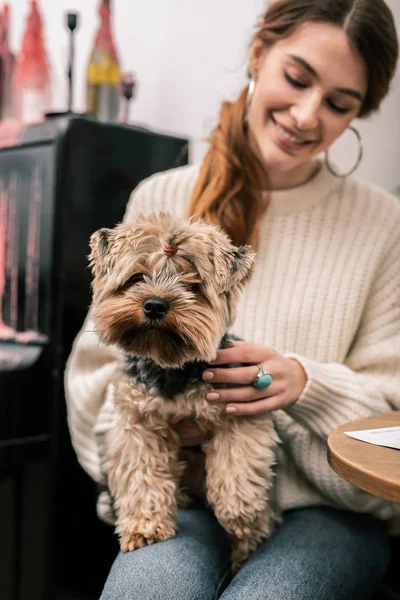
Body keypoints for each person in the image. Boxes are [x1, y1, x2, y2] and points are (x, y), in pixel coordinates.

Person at [64, 0, 400, 598]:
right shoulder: (160, 197)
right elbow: (92, 381)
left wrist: (305, 384)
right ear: (257, 54)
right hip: (182, 495)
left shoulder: (384, 226)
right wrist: (161, 426)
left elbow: (391, 424)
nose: (305, 114)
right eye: (297, 79)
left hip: (327, 510)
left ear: (360, 113)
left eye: (338, 103)